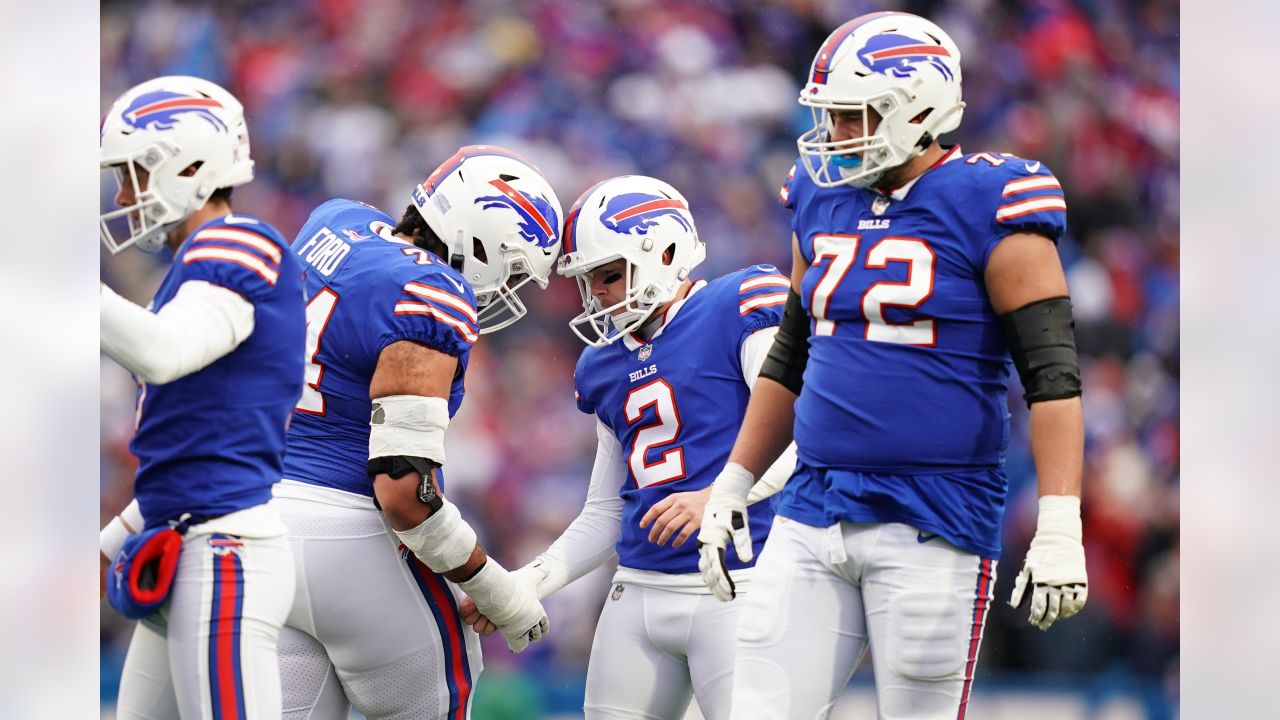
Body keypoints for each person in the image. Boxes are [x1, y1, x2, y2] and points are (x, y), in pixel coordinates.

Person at [694, 11, 1090, 719]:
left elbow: (1052, 379)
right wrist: (734, 480)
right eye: (833, 117)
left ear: (920, 109)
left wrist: (1060, 524)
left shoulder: (992, 200)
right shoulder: (819, 197)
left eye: (854, 116)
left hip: (934, 515)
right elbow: (791, 355)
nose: (837, 135)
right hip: (812, 505)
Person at [459, 175, 798, 720]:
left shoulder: (738, 303)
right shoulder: (603, 364)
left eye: (610, 275)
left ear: (664, 251)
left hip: (740, 579)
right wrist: (528, 582)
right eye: (590, 283)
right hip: (636, 592)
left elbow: (800, 432)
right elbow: (606, 510)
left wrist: (720, 494)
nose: (600, 297)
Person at [270, 145, 563, 720]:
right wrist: (495, 588)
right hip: (354, 539)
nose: (510, 288)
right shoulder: (432, 293)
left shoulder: (334, 220)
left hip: (264, 521)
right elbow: (405, 494)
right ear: (480, 239)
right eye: (515, 267)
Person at [98, 75, 306, 719]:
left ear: (190, 165)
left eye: (135, 173)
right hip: (190, 544)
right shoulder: (193, 265)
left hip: (224, 555)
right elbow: (190, 445)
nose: (125, 194)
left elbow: (162, 354)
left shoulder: (237, 241)